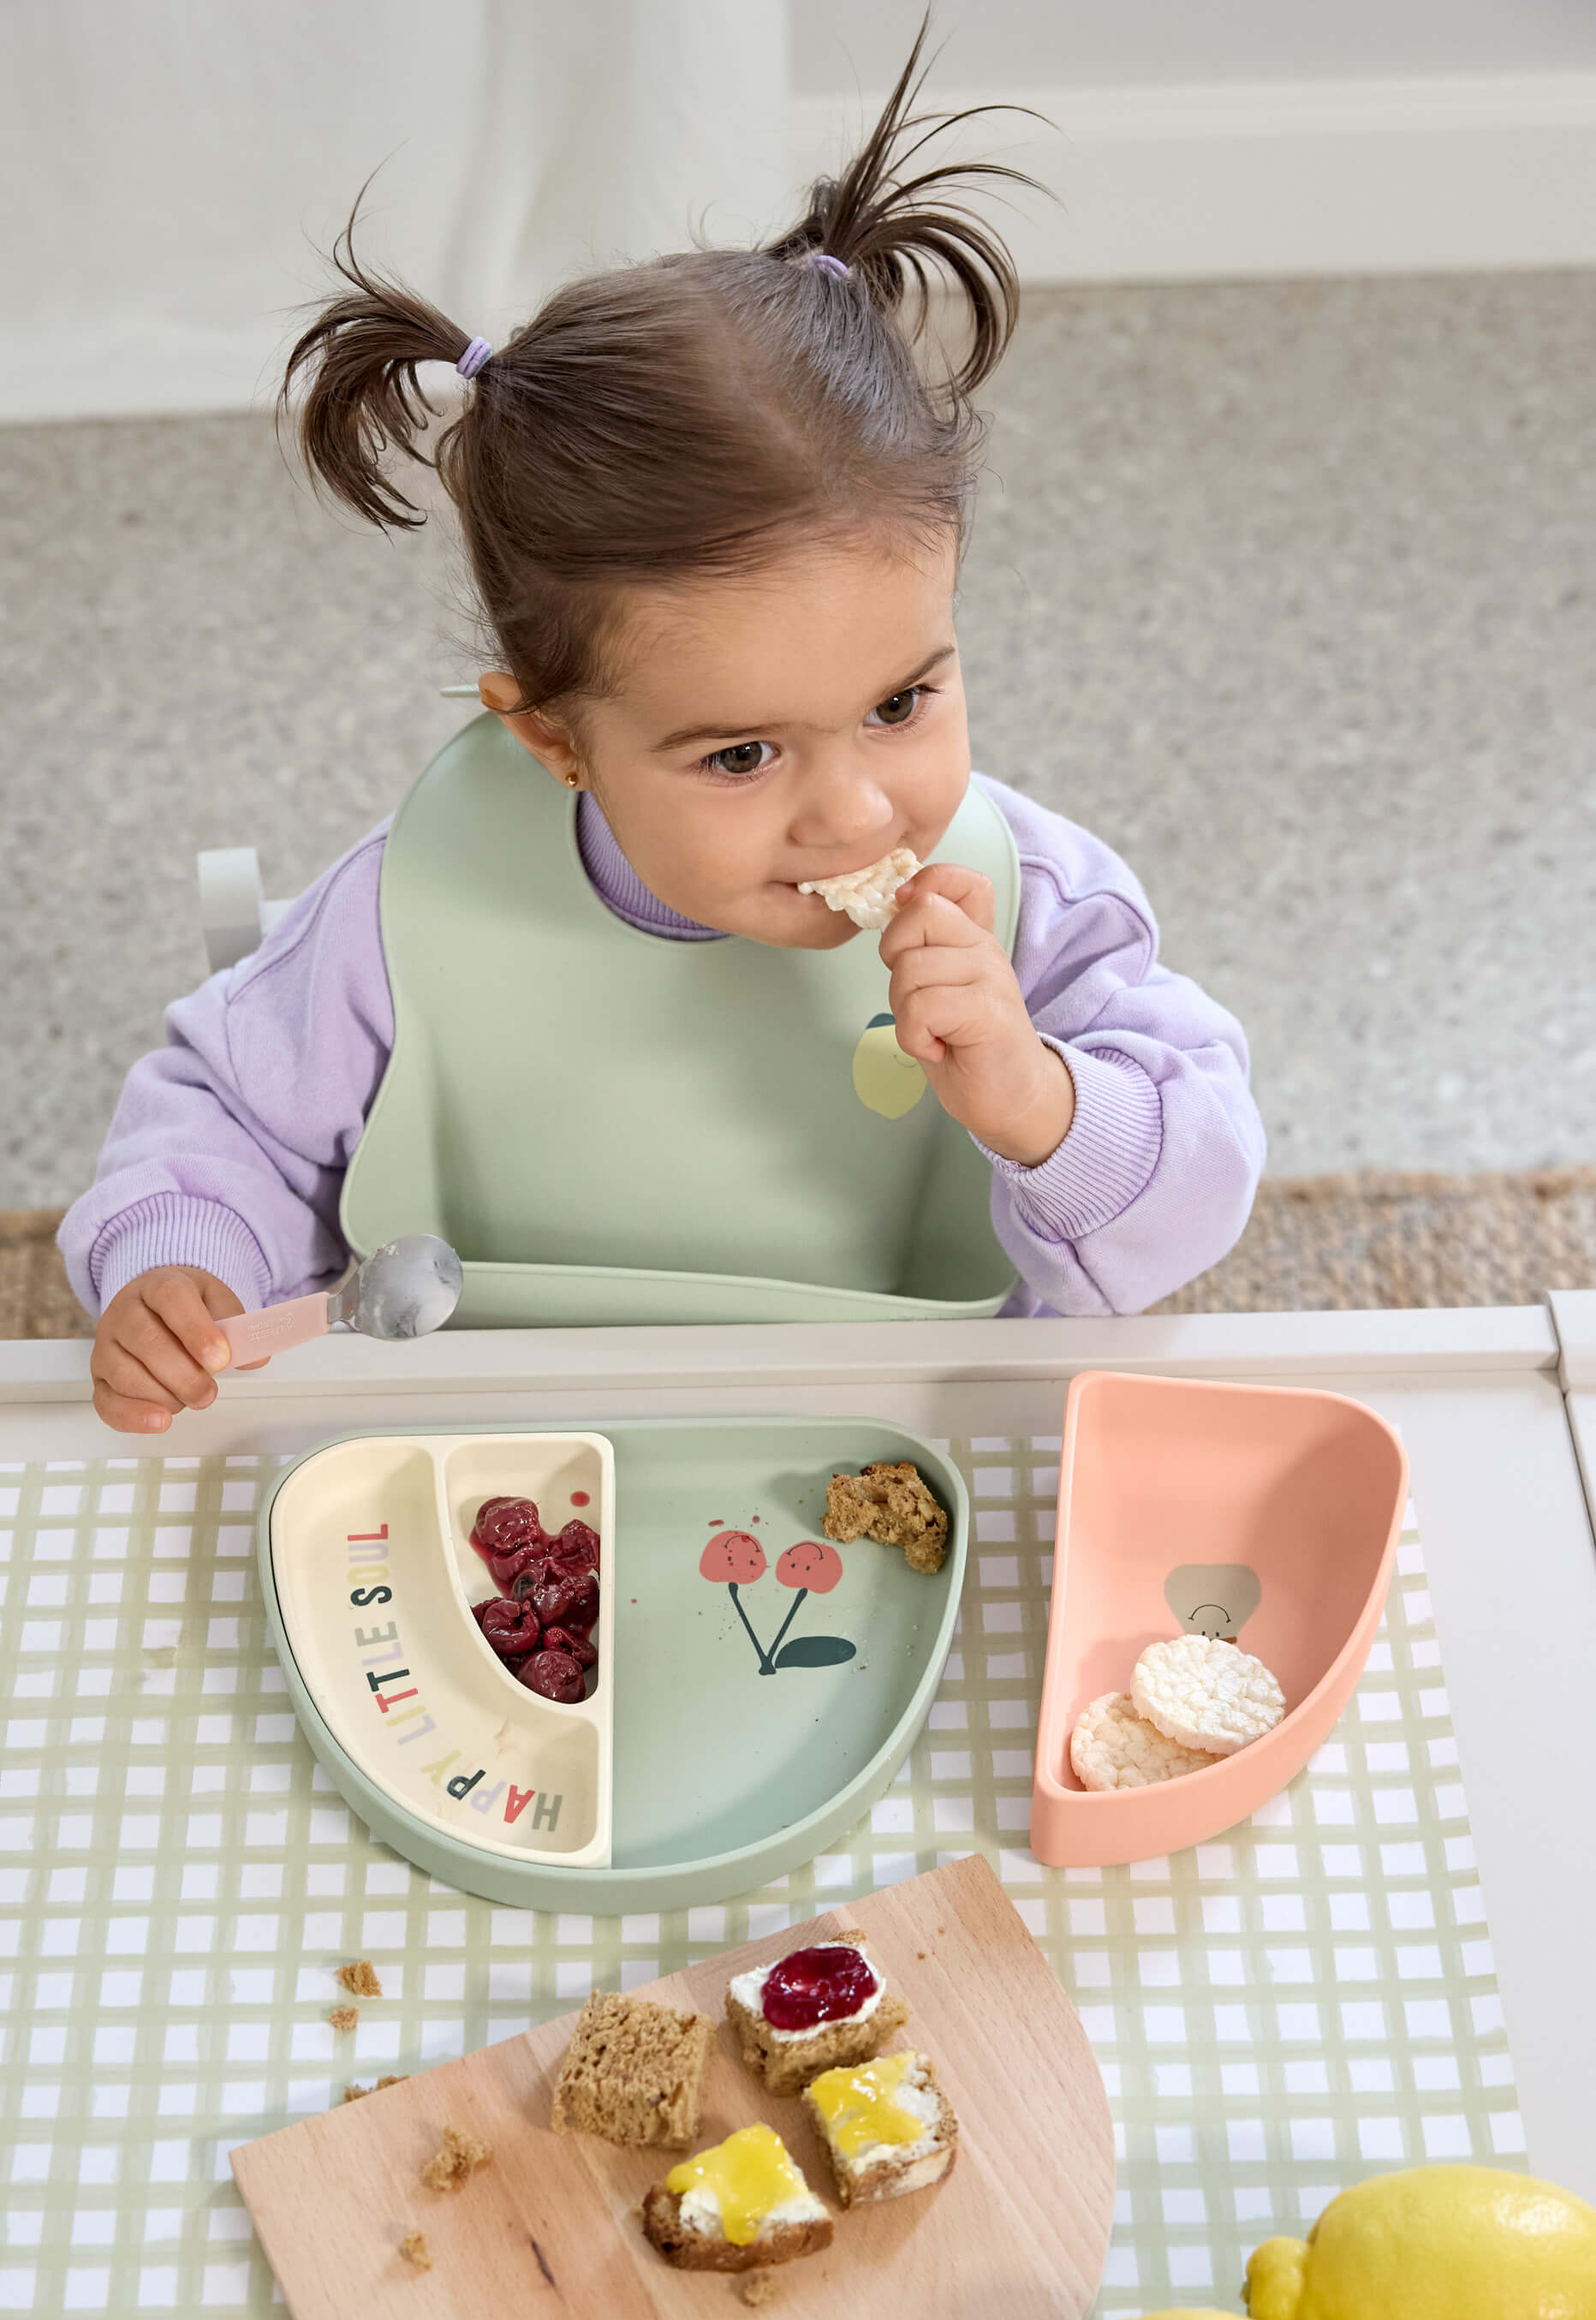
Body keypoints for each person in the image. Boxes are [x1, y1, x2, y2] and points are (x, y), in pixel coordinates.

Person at [63, 28, 1263, 1435]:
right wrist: (181, 1268)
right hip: (511, 1437)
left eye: (899, 703)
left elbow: (1194, 1201)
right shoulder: (413, 910)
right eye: (742, 754)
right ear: (555, 740)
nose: (858, 813)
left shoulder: (1036, 909)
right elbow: (231, 1116)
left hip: (903, 1435)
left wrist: (1045, 1102)